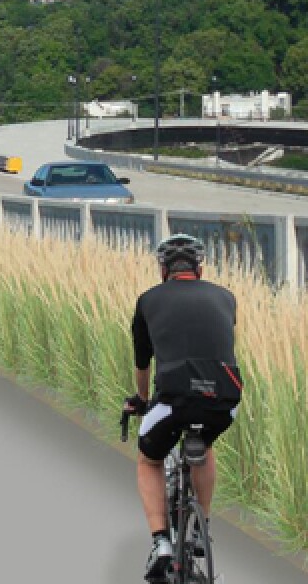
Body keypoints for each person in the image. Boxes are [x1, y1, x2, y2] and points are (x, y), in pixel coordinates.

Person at [122, 234, 242, 583]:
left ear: (163, 271)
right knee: (203, 446)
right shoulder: (226, 297)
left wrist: (142, 400)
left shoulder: (148, 300)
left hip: (174, 397)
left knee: (149, 459)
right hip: (225, 398)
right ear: (200, 269)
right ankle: (199, 526)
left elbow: (143, 361)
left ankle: (161, 543)